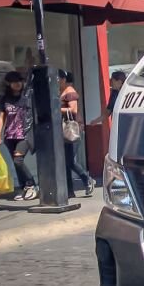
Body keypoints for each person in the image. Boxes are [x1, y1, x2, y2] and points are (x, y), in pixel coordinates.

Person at [0, 71, 37, 201]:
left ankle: (31, 185)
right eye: (14, 81)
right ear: (9, 83)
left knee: (18, 160)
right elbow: (1, 118)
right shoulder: (5, 99)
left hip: (25, 134)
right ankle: (23, 188)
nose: (17, 84)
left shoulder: (27, 96)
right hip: (9, 135)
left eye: (19, 81)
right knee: (15, 163)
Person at [58, 70, 95, 198]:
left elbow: (73, 110)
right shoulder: (60, 92)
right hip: (63, 130)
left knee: (70, 160)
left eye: (58, 79)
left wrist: (56, 108)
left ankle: (87, 179)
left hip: (73, 128)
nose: (56, 81)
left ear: (63, 79)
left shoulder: (70, 92)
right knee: (65, 161)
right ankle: (69, 191)